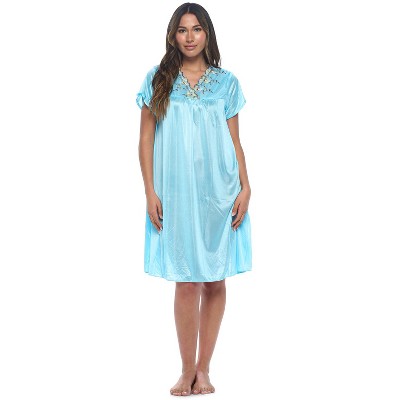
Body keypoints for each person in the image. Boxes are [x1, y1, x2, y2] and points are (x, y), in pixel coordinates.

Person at [136, 2, 252, 396]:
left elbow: (235, 140)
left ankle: (204, 370)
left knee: (215, 279)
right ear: (173, 35)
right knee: (186, 281)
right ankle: (186, 369)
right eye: (183, 30)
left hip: (220, 192)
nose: (190, 37)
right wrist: (150, 191)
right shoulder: (158, 80)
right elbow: (145, 139)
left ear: (207, 33)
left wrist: (246, 186)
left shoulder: (226, 83)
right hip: (177, 194)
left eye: (197, 29)